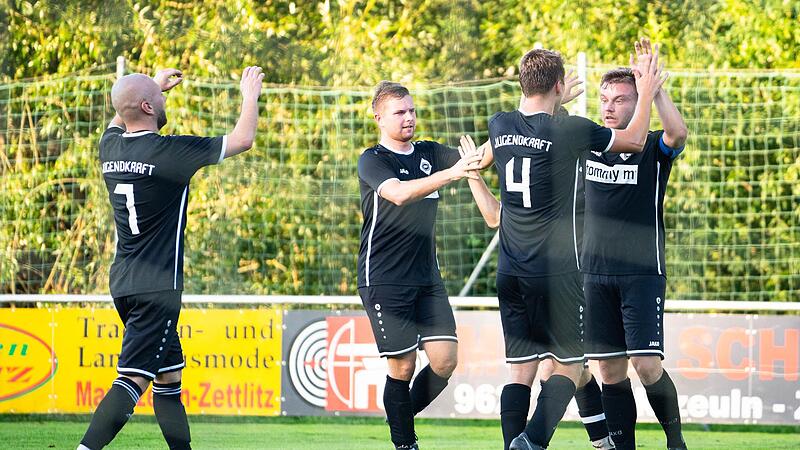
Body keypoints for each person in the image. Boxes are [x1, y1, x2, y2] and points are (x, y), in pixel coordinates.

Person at [458, 40, 665, 450]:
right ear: (558, 84)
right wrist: (646, 89)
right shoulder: (570, 130)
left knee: (520, 371)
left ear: (523, 83)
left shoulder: (500, 125)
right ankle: (532, 440)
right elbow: (637, 140)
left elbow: (498, 145)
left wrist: (545, 88)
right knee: (569, 367)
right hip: (556, 272)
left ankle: (514, 445)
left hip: (510, 270)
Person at [78, 66, 264, 450]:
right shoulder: (171, 152)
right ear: (147, 106)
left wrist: (148, 88)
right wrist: (250, 95)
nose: (165, 99)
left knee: (168, 379)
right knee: (132, 380)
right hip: (157, 287)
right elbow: (243, 139)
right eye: (159, 97)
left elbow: (121, 113)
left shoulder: (109, 147)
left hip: (124, 281)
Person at [357, 80, 482, 450]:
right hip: (384, 278)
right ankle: (404, 443)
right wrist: (452, 173)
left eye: (411, 110)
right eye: (400, 112)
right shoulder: (373, 160)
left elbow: (479, 158)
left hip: (427, 277)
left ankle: (399, 418)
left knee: (445, 361)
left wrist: (536, 116)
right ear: (379, 117)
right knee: (403, 368)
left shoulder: (428, 152)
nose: (409, 117)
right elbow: (398, 194)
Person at [582, 39, 689, 450]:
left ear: (636, 101)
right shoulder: (590, 145)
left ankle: (675, 441)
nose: (609, 107)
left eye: (620, 99)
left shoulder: (652, 150)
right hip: (594, 274)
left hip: (641, 274)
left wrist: (653, 88)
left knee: (646, 365)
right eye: (604, 99)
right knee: (609, 371)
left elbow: (678, 134)